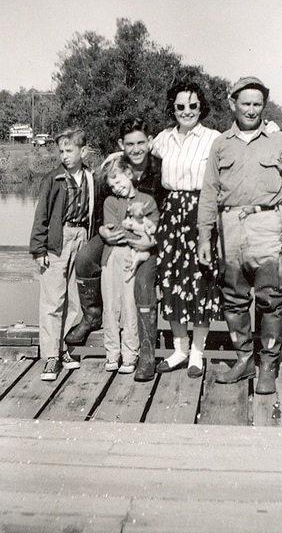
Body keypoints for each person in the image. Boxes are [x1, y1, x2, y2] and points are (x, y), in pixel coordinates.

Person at [197, 77, 282, 394]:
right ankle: (244, 361)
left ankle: (268, 366)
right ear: (233, 104)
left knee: (271, 299)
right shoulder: (221, 144)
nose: (252, 110)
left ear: (263, 106)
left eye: (257, 104)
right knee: (233, 299)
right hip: (229, 229)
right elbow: (209, 193)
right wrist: (205, 237)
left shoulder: (279, 141)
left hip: (267, 226)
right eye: (246, 103)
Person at [65, 117, 166, 382]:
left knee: (142, 282)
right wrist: (101, 231)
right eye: (129, 144)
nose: (135, 149)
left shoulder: (159, 170)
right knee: (85, 257)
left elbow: (161, 216)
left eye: (140, 143)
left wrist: (150, 242)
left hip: (146, 238)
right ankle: (92, 315)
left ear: (149, 142)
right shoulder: (112, 168)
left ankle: (143, 354)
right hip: (115, 233)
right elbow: (101, 211)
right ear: (122, 144)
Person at [152, 80, 223, 379]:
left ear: (201, 107)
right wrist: (116, 158)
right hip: (170, 216)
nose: (187, 111)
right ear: (173, 108)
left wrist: (270, 130)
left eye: (193, 105)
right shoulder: (163, 139)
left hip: (201, 214)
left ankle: (197, 353)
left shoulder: (214, 138)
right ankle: (179, 349)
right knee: (170, 281)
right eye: (180, 106)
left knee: (201, 283)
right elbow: (138, 156)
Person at [29, 126, 100, 381]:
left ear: (83, 151)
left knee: (73, 298)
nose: (64, 156)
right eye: (61, 151)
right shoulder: (53, 179)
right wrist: (39, 249)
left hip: (81, 238)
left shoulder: (91, 178)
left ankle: (63, 349)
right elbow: (42, 216)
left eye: (69, 150)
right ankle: (50, 357)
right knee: (52, 300)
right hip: (58, 241)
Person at [97, 155, 160, 373]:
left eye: (119, 180)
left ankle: (130, 354)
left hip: (133, 257)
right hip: (112, 256)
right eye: (111, 184)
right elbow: (114, 232)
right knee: (111, 305)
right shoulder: (110, 202)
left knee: (129, 306)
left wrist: (143, 235)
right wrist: (139, 232)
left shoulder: (147, 200)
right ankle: (112, 352)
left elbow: (155, 231)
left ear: (129, 174)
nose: (116, 187)